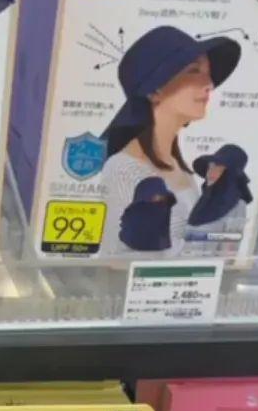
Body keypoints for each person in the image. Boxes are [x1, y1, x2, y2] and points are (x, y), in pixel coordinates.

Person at [98, 26, 241, 256]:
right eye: (194, 71)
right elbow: (119, 258)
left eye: (208, 73)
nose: (209, 84)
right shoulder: (124, 170)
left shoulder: (176, 164)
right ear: (154, 90)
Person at [186, 143, 253, 254]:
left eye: (218, 168)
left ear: (229, 175)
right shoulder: (204, 200)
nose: (211, 172)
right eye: (211, 166)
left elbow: (229, 250)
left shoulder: (238, 206)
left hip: (208, 263)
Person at [117, 177, 176, 253]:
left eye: (163, 199)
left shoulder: (166, 212)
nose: (159, 203)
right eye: (155, 197)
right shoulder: (132, 215)